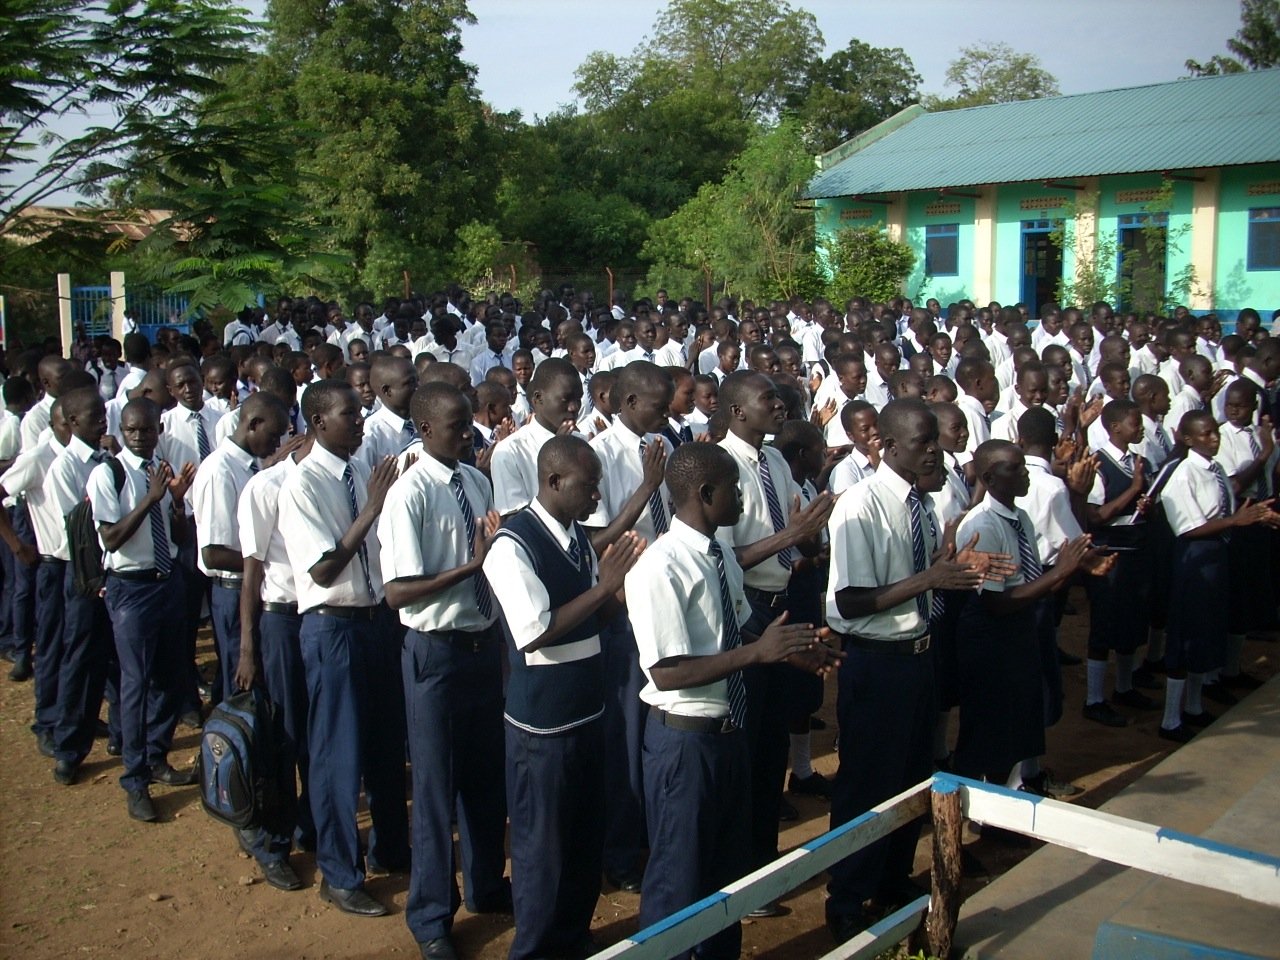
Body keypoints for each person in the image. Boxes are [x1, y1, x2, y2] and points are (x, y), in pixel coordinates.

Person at [627, 442, 839, 960]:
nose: (743, 498)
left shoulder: (719, 553)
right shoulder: (660, 567)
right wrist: (757, 654)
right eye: (734, 489)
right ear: (704, 494)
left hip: (726, 735)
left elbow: (738, 632)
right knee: (679, 881)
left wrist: (790, 650)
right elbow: (667, 670)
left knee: (726, 881)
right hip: (685, 744)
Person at [824, 399, 989, 943]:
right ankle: (846, 899)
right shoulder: (861, 507)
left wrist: (951, 570)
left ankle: (892, 882)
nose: (934, 451)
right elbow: (848, 601)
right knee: (866, 784)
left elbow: (926, 577)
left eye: (936, 442)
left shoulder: (922, 505)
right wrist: (930, 580)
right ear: (889, 448)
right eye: (922, 443)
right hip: (876, 665)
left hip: (920, 656)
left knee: (913, 778)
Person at [484, 435, 644, 960]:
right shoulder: (513, 543)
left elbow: (594, 615)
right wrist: (604, 587)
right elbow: (537, 630)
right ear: (553, 482)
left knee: (582, 842)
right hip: (543, 728)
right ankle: (535, 949)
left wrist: (619, 594)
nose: (598, 496)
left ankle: (572, 938)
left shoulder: (573, 534)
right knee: (541, 851)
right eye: (588, 486)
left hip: (587, 711)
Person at [382, 382, 512, 960]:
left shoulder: (477, 481)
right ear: (425, 429)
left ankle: (486, 884)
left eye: (470, 423)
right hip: (435, 651)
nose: (469, 433)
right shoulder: (408, 494)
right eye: (457, 426)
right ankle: (432, 914)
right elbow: (398, 592)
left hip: (484, 646)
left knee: (486, 778)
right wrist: (470, 568)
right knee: (435, 785)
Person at [279, 380, 407, 917]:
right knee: (338, 754)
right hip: (334, 628)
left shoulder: (360, 471)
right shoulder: (302, 485)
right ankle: (339, 871)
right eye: (349, 415)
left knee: (383, 747)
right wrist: (370, 512)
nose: (360, 422)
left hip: (378, 622)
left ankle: (390, 850)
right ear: (318, 423)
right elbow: (325, 568)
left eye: (360, 415)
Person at [716, 371, 835, 914]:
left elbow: (796, 532)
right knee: (744, 748)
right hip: (746, 618)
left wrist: (810, 530)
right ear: (738, 411)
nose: (780, 406)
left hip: (781, 605)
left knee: (770, 749)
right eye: (768, 400)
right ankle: (735, 874)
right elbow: (724, 559)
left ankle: (759, 868)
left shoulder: (777, 461)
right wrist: (791, 535)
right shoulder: (720, 467)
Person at [953, 440, 1107, 790]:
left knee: (1018, 720)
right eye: (1015, 469)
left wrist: (1073, 566)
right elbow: (995, 601)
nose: (1025, 474)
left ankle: (1015, 791)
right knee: (988, 725)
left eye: (1024, 466)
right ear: (990, 477)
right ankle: (976, 809)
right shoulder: (984, 526)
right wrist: (1060, 572)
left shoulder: (1019, 516)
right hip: (991, 636)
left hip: (1019, 626)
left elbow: (1031, 581)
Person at [582, 361, 674, 891]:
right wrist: (647, 487)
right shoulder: (602, 455)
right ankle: (619, 853)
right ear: (627, 402)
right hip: (624, 610)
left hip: (664, 604)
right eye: (658, 405)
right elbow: (596, 544)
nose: (665, 414)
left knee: (656, 732)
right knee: (624, 737)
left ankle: (645, 835)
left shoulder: (660, 445)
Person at [89, 398, 199, 821]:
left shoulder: (163, 468)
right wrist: (150, 499)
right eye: (133, 431)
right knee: (135, 683)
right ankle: (134, 779)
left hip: (166, 581)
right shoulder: (109, 473)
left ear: (159, 430)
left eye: (148, 430)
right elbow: (111, 538)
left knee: (173, 677)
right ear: (122, 429)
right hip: (130, 589)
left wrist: (173, 502)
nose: (140, 438)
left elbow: (177, 536)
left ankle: (156, 756)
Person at [1157, 410, 1278, 743]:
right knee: (1188, 633)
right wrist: (1235, 523)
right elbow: (1189, 527)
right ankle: (1170, 719)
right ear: (1188, 438)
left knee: (1209, 629)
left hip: (1218, 554)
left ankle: (1194, 707)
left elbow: (1227, 503)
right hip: (1195, 558)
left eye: (1215, 432)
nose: (1214, 438)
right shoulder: (1184, 476)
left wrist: (1253, 517)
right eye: (1205, 434)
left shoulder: (1216, 468)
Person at [236, 435, 314, 891]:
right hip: (281, 620)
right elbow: (252, 573)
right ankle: (274, 843)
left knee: (313, 735)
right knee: (283, 736)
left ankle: (310, 826)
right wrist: (249, 648)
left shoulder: (333, 481)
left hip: (320, 620)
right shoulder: (267, 487)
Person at [191, 393, 291, 704]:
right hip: (234, 591)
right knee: (241, 688)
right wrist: (268, 563)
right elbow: (213, 552)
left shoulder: (253, 465)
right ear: (253, 424)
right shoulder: (220, 470)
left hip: (251, 588)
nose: (277, 444)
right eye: (273, 435)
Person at [43, 387, 114, 786]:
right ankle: (69, 745)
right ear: (71, 423)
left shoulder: (107, 459)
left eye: (103, 414)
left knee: (120, 662)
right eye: (93, 417)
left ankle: (120, 733)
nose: (102, 422)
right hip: (87, 577)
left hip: (116, 576)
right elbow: (83, 529)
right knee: (83, 660)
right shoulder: (65, 470)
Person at [1082, 400, 1157, 727]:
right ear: (1115, 428)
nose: (1140, 428)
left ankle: (1125, 687)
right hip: (1111, 553)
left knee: (1133, 622)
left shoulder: (1140, 461)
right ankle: (1094, 698)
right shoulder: (1098, 463)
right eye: (1135, 423)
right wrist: (1135, 490)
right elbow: (1096, 515)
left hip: (1138, 551)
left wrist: (1147, 505)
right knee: (1105, 624)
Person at [0, 399, 70, 743]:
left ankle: (75, 713)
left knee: (84, 646)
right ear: (59, 422)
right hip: (54, 564)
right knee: (52, 645)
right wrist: (15, 544)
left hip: (87, 568)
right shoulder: (38, 458)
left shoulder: (95, 458)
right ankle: (47, 721)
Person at [491, 358, 583, 516]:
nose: (574, 407)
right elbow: (517, 522)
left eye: (578, 399)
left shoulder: (582, 443)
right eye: (565, 399)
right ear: (538, 398)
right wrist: (557, 453)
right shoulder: (509, 452)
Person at [358, 356, 419, 467]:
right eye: (409, 383)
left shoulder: (421, 419)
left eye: (417, 381)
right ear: (387, 390)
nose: (417, 387)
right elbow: (365, 478)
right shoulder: (370, 433)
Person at [828, 401, 879, 494]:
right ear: (850, 436)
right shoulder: (845, 471)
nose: (875, 431)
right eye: (865, 429)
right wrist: (879, 470)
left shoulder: (893, 456)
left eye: (877, 424)